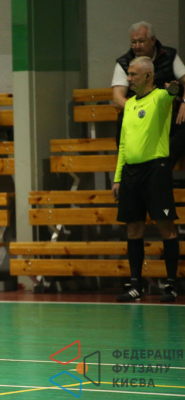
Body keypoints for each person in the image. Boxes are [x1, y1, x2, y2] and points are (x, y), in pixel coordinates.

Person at [112, 56, 183, 303]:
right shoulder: (130, 104)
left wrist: (174, 89)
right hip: (131, 174)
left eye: (133, 74)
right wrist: (118, 178)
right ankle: (135, 286)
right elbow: (123, 144)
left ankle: (171, 285)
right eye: (128, 74)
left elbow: (172, 93)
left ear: (148, 76)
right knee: (134, 229)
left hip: (156, 171)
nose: (128, 78)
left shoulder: (160, 98)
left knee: (166, 226)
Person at [112, 21, 185, 167]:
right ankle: (127, 166)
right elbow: (117, 98)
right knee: (122, 121)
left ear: (153, 40)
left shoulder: (170, 56)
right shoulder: (124, 62)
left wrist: (184, 102)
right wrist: (139, 109)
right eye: (133, 42)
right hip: (137, 112)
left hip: (165, 113)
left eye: (141, 41)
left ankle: (165, 165)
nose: (137, 46)